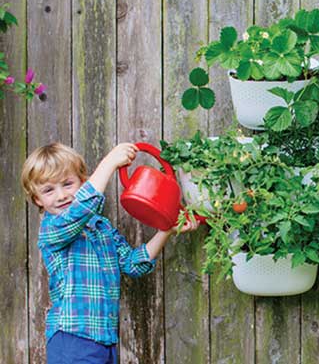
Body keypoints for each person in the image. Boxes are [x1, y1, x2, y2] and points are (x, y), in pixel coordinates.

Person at [21, 142, 199, 364]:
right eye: (49, 190)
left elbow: (133, 264)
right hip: (72, 338)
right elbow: (82, 208)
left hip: (105, 341)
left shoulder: (101, 227)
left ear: (82, 181)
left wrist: (166, 230)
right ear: (37, 199)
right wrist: (109, 163)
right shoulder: (52, 229)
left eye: (68, 184)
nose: (61, 195)